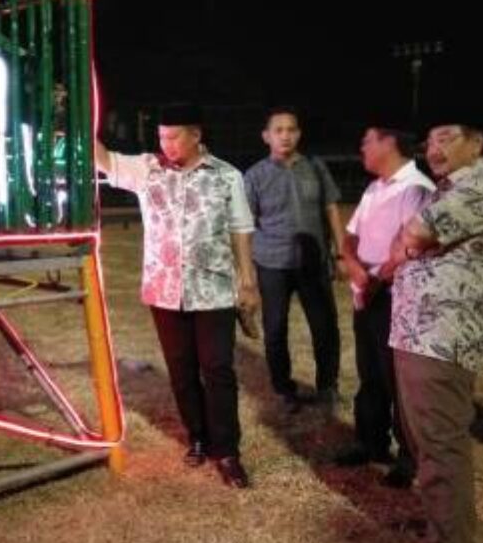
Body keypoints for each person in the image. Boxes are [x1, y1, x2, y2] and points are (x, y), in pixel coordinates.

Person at [95, 103, 259, 488]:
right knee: (181, 371)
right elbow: (103, 159)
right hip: (164, 289)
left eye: (173, 136)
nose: (165, 144)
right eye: (161, 137)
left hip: (213, 288)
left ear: (196, 135)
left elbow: (240, 228)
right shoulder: (147, 169)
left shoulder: (226, 175)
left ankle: (228, 451)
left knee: (217, 369)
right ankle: (197, 437)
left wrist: (247, 281)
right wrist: (79, 118)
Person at [384, 121, 483, 543]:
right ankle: (442, 527)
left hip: (443, 336)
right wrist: (409, 245)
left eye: (447, 138)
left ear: (477, 142)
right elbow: (408, 240)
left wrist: (409, 244)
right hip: (421, 333)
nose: (434, 148)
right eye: (430, 141)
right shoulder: (450, 188)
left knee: (441, 444)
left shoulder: (480, 185)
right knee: (426, 442)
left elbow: (414, 233)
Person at [335, 126, 434, 488]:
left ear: (389, 143)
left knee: (399, 382)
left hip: (394, 298)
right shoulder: (375, 188)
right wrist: (354, 266)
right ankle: (370, 442)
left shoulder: (416, 189)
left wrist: (373, 280)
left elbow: (412, 248)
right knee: (371, 375)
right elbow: (350, 236)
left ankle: (409, 457)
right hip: (367, 295)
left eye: (368, 141)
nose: (362, 147)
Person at [243, 107, 343, 415]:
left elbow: (331, 209)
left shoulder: (315, 167)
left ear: (298, 134)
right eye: (278, 130)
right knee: (275, 330)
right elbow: (246, 225)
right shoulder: (255, 176)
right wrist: (246, 274)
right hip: (272, 263)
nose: (285, 136)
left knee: (325, 327)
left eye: (291, 129)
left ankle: (328, 387)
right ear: (266, 136)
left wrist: (341, 252)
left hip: (313, 262)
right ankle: (283, 389)